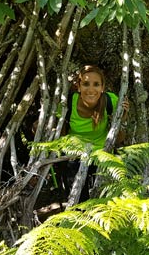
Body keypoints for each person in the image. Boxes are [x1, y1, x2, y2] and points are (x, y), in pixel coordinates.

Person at [60, 64, 129, 201]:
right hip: (74, 156)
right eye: (86, 84)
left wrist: (123, 117)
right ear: (79, 87)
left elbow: (120, 136)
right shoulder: (68, 103)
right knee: (78, 201)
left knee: (104, 200)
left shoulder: (111, 101)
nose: (91, 89)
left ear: (102, 88)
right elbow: (60, 132)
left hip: (102, 154)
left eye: (96, 84)